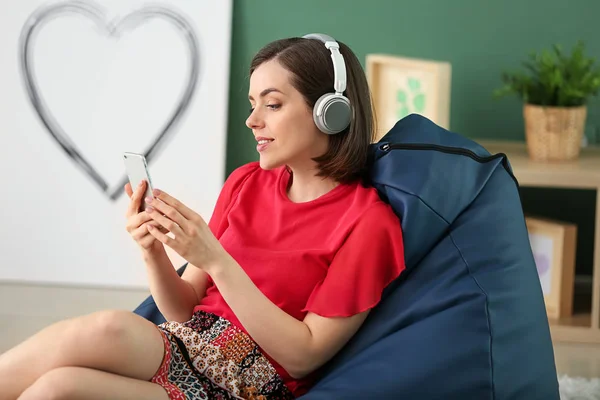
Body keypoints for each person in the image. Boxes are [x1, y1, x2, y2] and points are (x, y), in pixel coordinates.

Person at [0, 33, 405, 399]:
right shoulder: (246, 183)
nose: (253, 121)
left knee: (103, 337)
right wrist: (153, 251)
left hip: (252, 383)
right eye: (253, 105)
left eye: (273, 104)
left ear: (329, 113)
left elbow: (305, 356)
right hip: (189, 342)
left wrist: (216, 259)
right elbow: (181, 308)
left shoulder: (368, 223)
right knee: (58, 387)